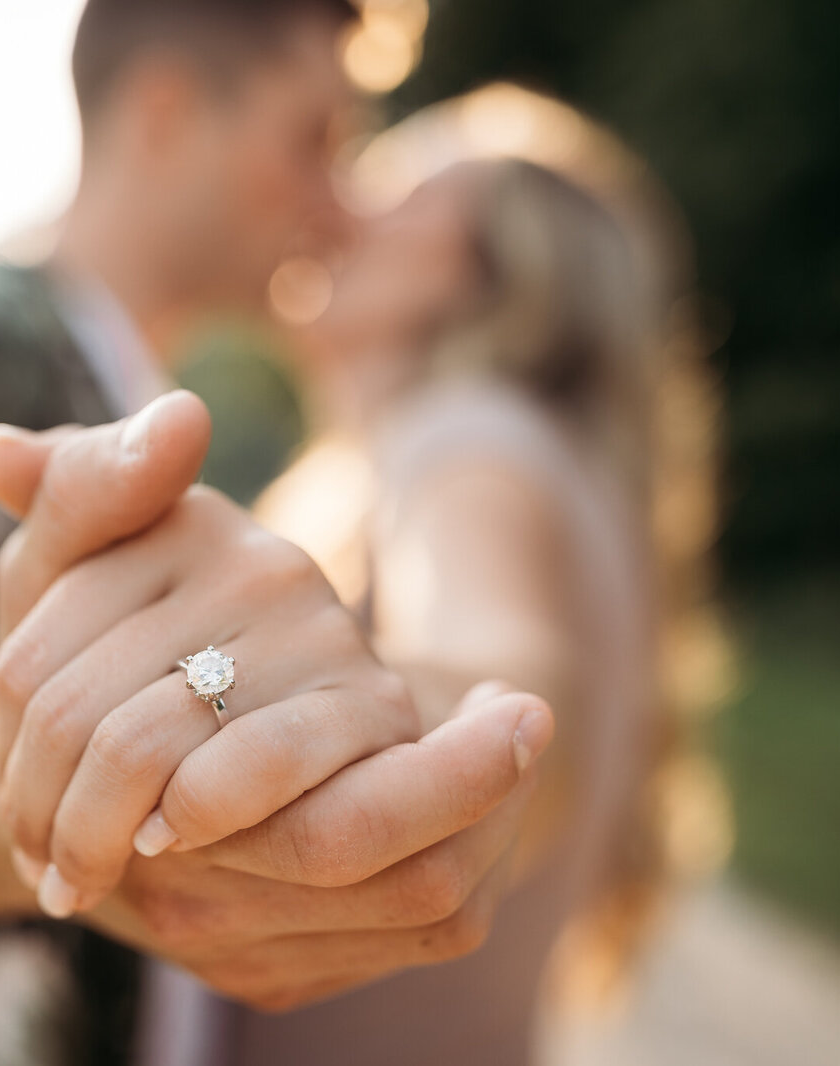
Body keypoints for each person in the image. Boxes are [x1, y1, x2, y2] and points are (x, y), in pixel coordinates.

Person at [0, 3, 553, 1064]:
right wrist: (67, 796)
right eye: (314, 140)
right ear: (165, 111)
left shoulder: (171, 410)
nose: (341, 208)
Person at [211, 89, 723, 1064]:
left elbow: (496, 664)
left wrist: (214, 711)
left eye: (398, 190)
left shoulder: (465, 442)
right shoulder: (548, 459)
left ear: (486, 273)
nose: (344, 209)